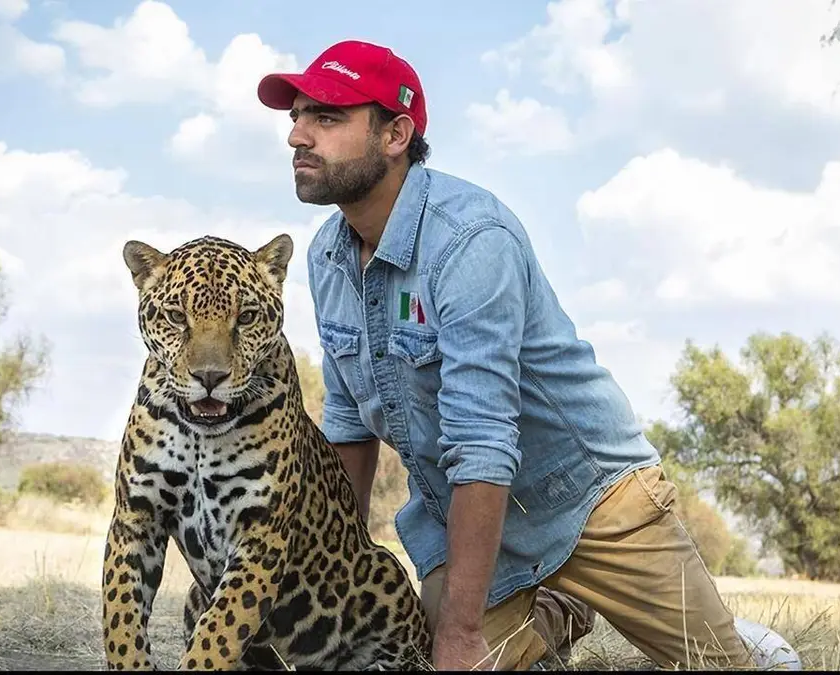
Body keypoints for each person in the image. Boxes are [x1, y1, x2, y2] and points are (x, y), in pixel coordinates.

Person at [256, 40, 758, 671]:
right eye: (297, 115)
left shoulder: (470, 241)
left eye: (326, 117)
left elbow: (484, 441)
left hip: (590, 501)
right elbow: (351, 426)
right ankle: (551, 608)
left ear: (396, 135)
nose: (298, 135)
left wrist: (463, 634)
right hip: (464, 521)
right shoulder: (328, 256)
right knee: (418, 657)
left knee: (721, 665)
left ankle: (585, 597)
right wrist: (333, 574)